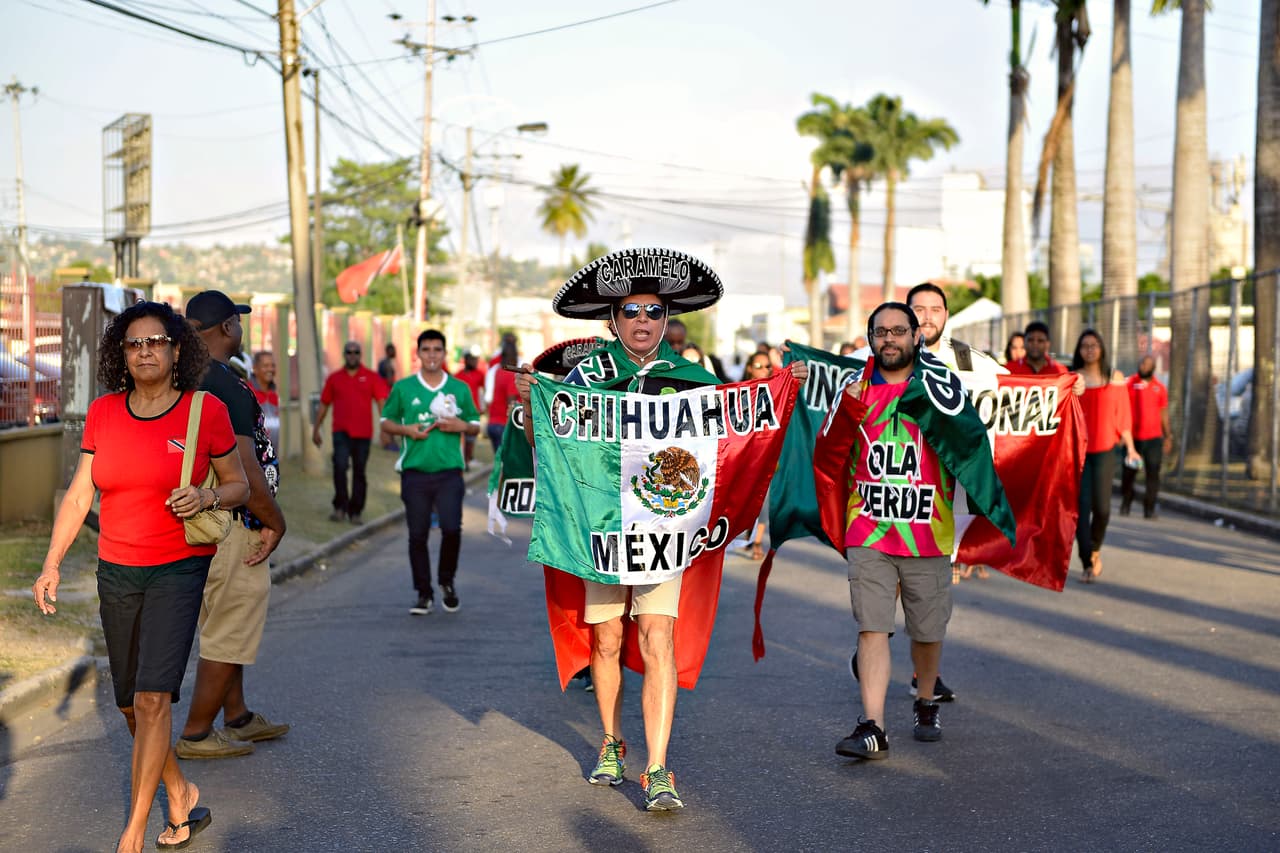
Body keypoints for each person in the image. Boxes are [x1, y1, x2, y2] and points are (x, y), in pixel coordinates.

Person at [515, 247, 807, 812]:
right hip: (602, 534)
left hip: (662, 533)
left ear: (667, 320)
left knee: (657, 640)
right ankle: (610, 740)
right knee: (605, 639)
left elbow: (736, 436)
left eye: (654, 311)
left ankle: (657, 767)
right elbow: (553, 457)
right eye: (631, 311)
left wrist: (782, 393)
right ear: (613, 321)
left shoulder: (694, 379)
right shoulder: (583, 379)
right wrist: (533, 410)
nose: (643, 320)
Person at [32, 300, 250, 853]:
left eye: (156, 341)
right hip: (117, 570)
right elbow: (83, 492)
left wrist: (206, 493)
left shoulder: (204, 412)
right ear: (121, 355)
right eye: (134, 343)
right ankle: (179, 789)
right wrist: (53, 562)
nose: (145, 351)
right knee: (130, 703)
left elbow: (239, 486)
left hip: (178, 567)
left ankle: (131, 833)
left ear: (177, 349)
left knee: (154, 701)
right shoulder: (105, 412)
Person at [822, 302, 1010, 762]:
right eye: (881, 331)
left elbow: (970, 447)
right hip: (868, 528)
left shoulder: (940, 389)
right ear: (870, 338)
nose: (890, 338)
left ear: (915, 337)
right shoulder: (854, 391)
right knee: (872, 627)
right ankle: (873, 727)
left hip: (927, 532)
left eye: (899, 330)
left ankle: (926, 700)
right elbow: (828, 453)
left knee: (926, 631)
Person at [176, 290, 290, 761]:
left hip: (210, 522)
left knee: (232, 623)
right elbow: (243, 466)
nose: (241, 330)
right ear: (226, 328)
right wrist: (274, 522)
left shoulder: (192, 376)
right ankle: (198, 734)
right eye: (237, 322)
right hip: (233, 522)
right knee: (229, 626)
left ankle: (237, 716)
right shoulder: (222, 383)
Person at [380, 329, 481, 615]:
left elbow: (475, 424)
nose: (432, 355)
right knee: (417, 535)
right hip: (415, 473)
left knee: (451, 529)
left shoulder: (459, 388)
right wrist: (406, 430)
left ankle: (446, 582)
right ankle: (423, 593)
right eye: (427, 350)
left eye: (438, 350)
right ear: (419, 354)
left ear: (444, 353)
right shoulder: (404, 387)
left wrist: (461, 426)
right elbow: (385, 422)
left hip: (450, 472)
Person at [1071, 330, 1141, 582]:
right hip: (1077, 453)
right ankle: (1088, 561)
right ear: (1079, 350)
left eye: (1094, 345)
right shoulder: (1072, 379)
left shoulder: (1115, 378)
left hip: (1105, 452)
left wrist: (1130, 447)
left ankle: (1096, 548)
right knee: (1080, 509)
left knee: (1102, 508)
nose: (1090, 350)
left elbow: (1122, 416)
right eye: (1085, 345)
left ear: (1102, 348)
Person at [313, 341, 389, 524]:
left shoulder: (371, 377)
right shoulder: (334, 378)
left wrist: (386, 429)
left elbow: (381, 403)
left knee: (359, 472)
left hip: (363, 434)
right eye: (349, 352)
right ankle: (340, 507)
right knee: (339, 467)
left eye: (356, 352)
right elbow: (324, 404)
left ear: (360, 355)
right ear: (344, 354)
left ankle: (355, 511)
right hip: (341, 433)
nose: (352, 355)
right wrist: (316, 428)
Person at [1121, 355, 1172, 519]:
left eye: (1148, 364)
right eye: (1142, 363)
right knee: (1129, 473)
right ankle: (1127, 501)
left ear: (1153, 368)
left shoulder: (1160, 388)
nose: (1144, 366)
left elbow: (1163, 412)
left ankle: (1149, 508)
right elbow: (1121, 408)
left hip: (1153, 439)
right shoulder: (1130, 384)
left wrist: (1168, 436)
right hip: (1133, 439)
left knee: (1153, 473)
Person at [739, 353, 774, 560]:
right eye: (758, 365)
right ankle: (747, 533)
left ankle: (757, 540)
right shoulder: (739, 391)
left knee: (764, 501)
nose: (763, 369)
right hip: (744, 457)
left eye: (767, 366)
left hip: (767, 455)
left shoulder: (776, 391)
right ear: (750, 367)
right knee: (746, 500)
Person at [484, 334, 519, 453]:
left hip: (492, 424)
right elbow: (511, 404)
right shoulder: (511, 374)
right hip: (503, 425)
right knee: (507, 466)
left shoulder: (498, 371)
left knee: (499, 463)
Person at [455, 351, 487, 466]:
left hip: (475, 409)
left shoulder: (480, 374)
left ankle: (469, 458)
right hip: (460, 410)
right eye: (472, 360)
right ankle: (464, 459)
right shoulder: (457, 376)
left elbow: (484, 391)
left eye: (476, 360)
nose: (475, 362)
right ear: (466, 361)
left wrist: (483, 406)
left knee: (472, 436)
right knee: (462, 435)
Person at [248, 350, 280, 452]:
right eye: (265, 366)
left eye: (272, 365)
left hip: (271, 455)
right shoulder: (247, 392)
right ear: (255, 368)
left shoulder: (274, 395)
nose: (270, 369)